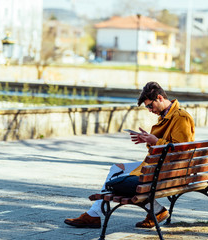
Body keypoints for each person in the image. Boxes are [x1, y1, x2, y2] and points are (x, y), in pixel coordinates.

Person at [64, 81, 195, 229]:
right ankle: (94, 215)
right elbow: (167, 145)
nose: (150, 110)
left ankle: (155, 211)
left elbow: (182, 151)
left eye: (150, 106)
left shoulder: (180, 117)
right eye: (147, 107)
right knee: (115, 169)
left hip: (168, 172)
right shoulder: (168, 116)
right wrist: (148, 139)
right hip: (160, 168)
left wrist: (156, 141)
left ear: (159, 98)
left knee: (115, 184)